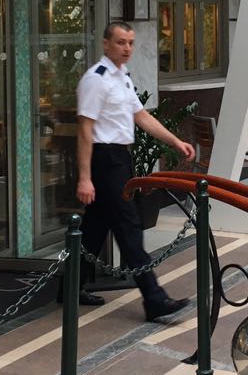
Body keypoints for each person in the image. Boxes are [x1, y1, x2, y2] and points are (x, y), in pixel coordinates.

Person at [75, 22, 195, 321]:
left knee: (94, 229)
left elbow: (140, 116)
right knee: (129, 228)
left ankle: (69, 288)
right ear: (106, 44)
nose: (127, 48)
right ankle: (154, 300)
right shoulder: (96, 80)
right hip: (105, 161)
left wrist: (175, 141)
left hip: (120, 159)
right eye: (120, 42)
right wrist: (85, 178)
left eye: (130, 42)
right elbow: (85, 130)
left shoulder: (122, 78)